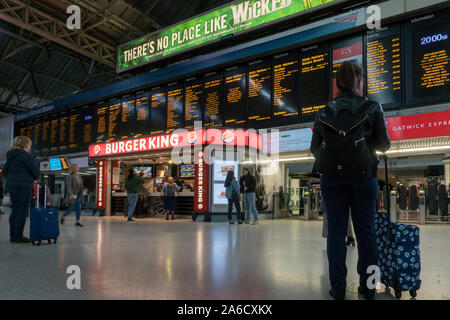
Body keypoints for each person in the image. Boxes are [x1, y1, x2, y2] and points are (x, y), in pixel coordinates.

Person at [310, 61, 391, 300]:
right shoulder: (373, 108)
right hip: (364, 178)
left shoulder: (323, 112)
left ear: (338, 82)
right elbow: (384, 145)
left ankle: (337, 288)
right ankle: (368, 288)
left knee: (336, 234)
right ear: (358, 80)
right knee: (367, 233)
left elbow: (314, 149)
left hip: (331, 180)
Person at [2, 136, 40, 243]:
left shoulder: (11, 156)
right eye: (29, 144)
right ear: (26, 145)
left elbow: (4, 172)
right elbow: (36, 172)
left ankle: (13, 236)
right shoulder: (25, 156)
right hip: (24, 186)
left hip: (12, 186)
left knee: (14, 210)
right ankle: (18, 237)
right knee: (22, 211)